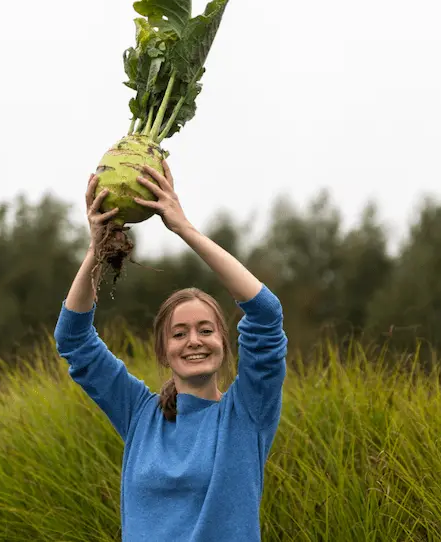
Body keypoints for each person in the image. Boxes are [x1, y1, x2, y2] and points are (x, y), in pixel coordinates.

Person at [54, 161, 288, 542]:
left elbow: (265, 313)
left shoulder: (247, 413)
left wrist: (183, 227)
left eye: (206, 330)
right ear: (164, 350)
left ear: (224, 344)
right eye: (179, 333)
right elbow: (74, 340)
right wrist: (97, 250)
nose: (194, 340)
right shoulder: (139, 415)